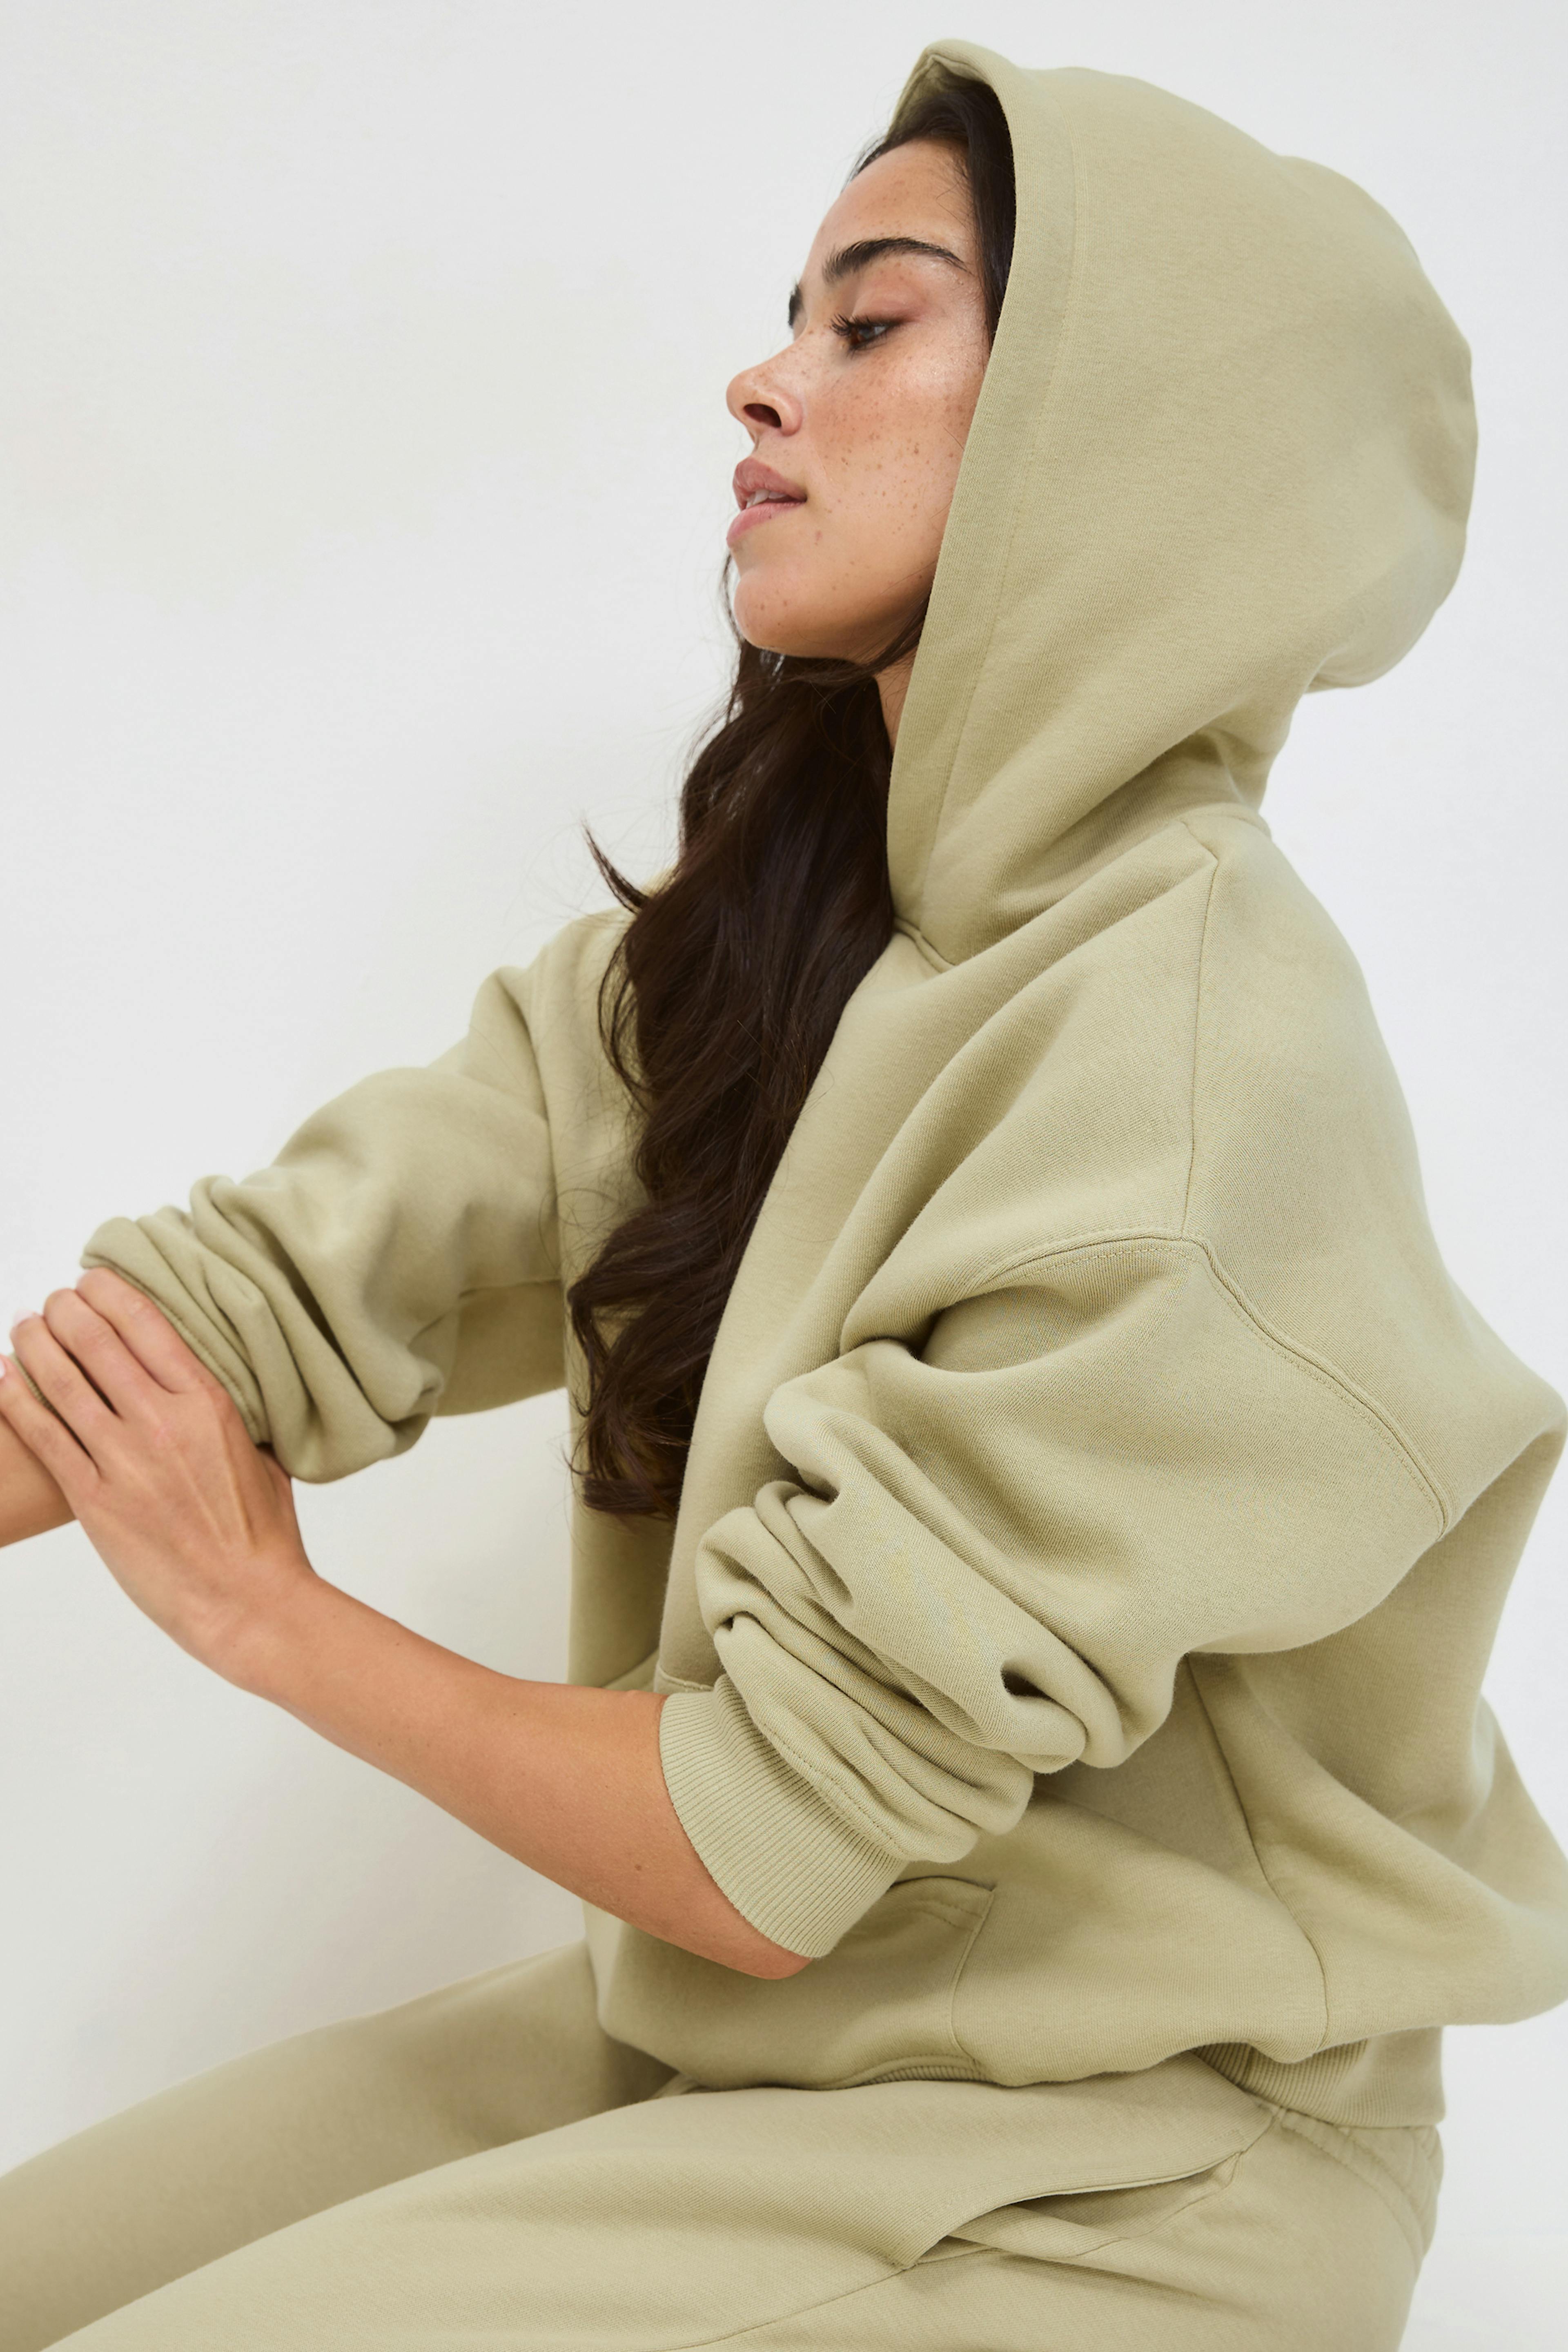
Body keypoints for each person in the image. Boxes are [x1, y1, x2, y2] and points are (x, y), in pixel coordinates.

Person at [0, 37, 1563, 2352]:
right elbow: (260, 1299)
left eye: (873, 319)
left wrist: (264, 1615)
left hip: (1132, 2157)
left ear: (1115, 431)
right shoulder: (791, 935)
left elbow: (755, 1843)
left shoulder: (1198, 1070)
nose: (763, 381)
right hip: (747, 2045)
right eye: (788, 319)